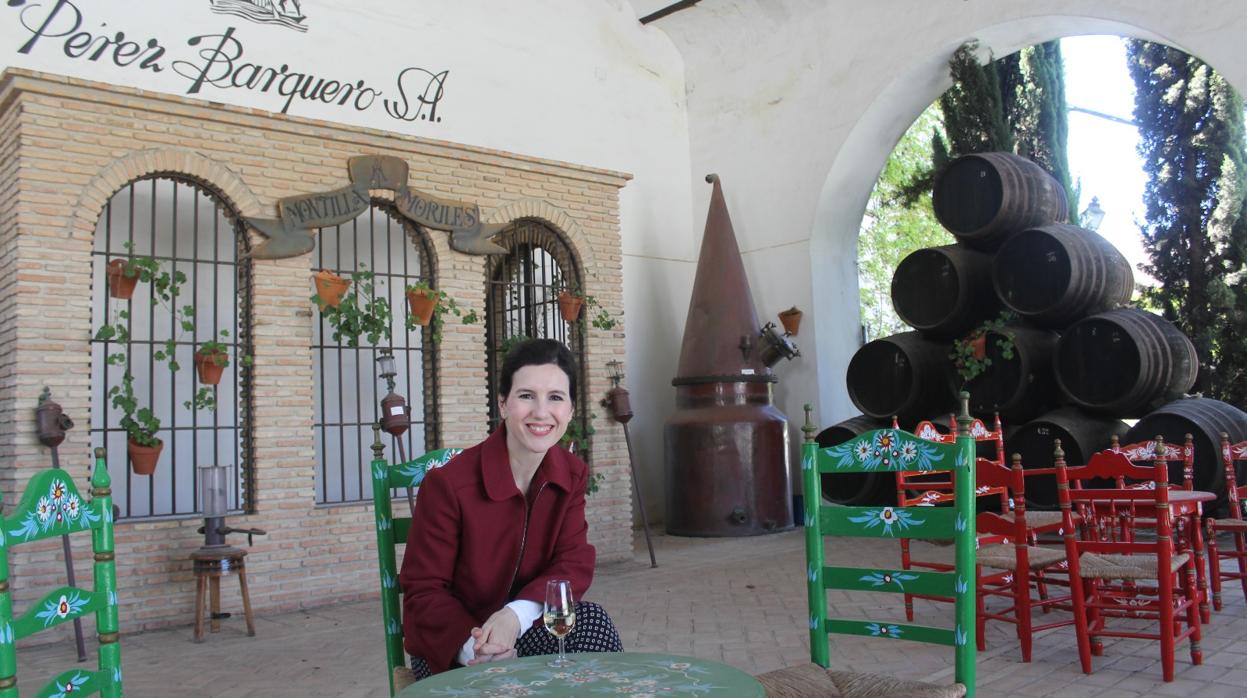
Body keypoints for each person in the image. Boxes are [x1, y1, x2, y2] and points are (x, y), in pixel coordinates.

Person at [399, 338, 623, 678]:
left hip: (524, 631)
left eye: (556, 398)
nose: (541, 412)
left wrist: (514, 617)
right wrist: (478, 645)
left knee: (592, 622)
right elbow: (424, 592)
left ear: (571, 410)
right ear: (503, 404)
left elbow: (573, 562)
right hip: (453, 645)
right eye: (526, 396)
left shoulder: (571, 473)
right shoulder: (448, 485)